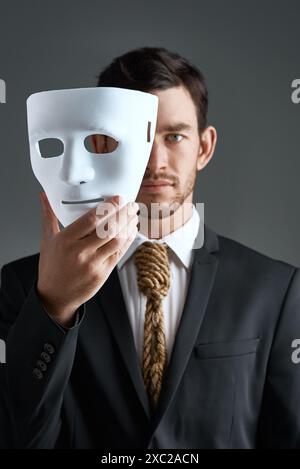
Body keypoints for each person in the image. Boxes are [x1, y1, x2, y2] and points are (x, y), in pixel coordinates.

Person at [0, 46, 300, 449]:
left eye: (174, 136)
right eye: (130, 140)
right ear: (100, 145)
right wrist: (53, 308)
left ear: (205, 148)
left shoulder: (277, 291)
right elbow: (19, 437)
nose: (154, 161)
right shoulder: (25, 287)